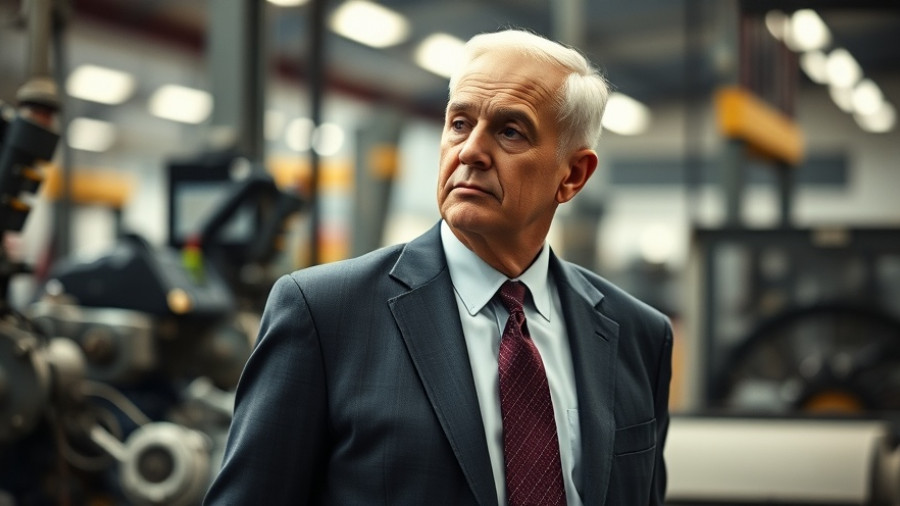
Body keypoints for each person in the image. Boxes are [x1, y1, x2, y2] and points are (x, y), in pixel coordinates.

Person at [204, 28, 672, 506]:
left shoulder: (638, 336)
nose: (471, 151)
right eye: (460, 123)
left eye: (510, 131)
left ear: (572, 175)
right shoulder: (325, 314)